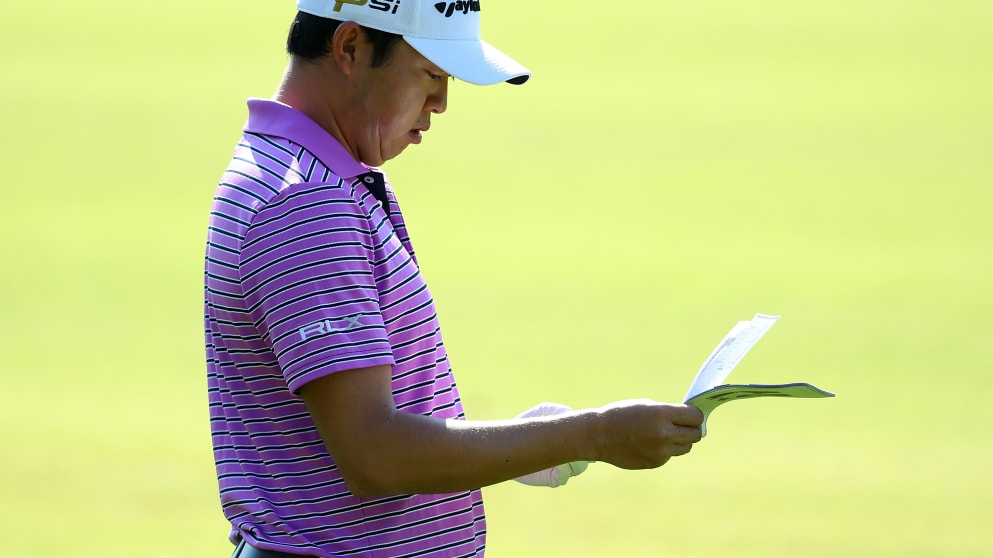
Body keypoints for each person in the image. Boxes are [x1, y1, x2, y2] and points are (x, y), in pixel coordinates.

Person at [204, 1, 705, 556]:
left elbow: (376, 431)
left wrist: (524, 443)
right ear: (350, 48)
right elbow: (376, 455)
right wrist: (594, 434)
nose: (442, 103)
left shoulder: (315, 175)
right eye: (431, 74)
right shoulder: (307, 203)